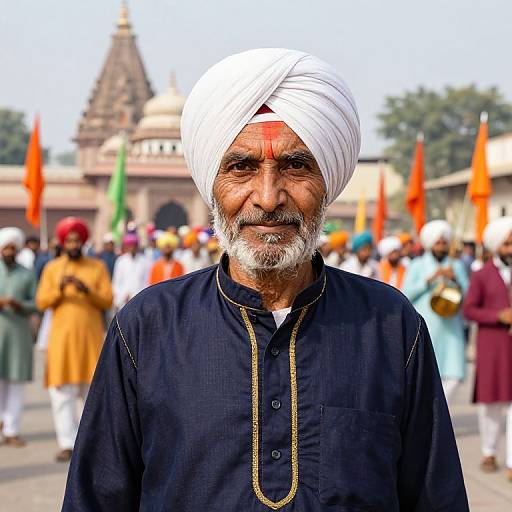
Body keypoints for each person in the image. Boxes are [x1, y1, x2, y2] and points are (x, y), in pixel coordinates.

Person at [63, 48, 468, 511]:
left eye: (296, 166)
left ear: (327, 181)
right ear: (211, 182)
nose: (269, 196)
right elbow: (95, 498)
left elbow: (437, 497)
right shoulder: (147, 326)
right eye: (241, 168)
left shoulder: (389, 324)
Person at [36, 217, 113, 462]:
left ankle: (86, 443)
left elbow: (107, 300)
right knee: (62, 394)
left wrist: (85, 289)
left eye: (76, 240)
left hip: (89, 338)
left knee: (90, 394)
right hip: (61, 340)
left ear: (83, 241)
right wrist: (59, 289)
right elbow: (41, 302)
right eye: (68, 240)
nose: (72, 244)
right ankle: (66, 443)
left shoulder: (97, 267)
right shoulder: (52, 268)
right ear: (62, 242)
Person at [463, 216, 512, 480]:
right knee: (491, 404)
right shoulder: (482, 275)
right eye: (506, 245)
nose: (511, 250)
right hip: (492, 347)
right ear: (496, 246)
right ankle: (489, 452)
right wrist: (498, 316)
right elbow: (469, 310)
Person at [402, 220, 469, 405]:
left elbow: (468, 295)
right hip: (427, 328)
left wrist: (454, 279)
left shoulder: (456, 266)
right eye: (438, 242)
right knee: (427, 377)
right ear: (431, 244)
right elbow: (405, 293)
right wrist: (430, 279)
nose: (442, 245)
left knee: (454, 377)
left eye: (444, 242)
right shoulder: (417, 265)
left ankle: (439, 413)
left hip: (451, 329)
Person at [0, 228, 37, 447]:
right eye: (6, 247)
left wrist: (19, 304)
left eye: (13, 248)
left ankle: (12, 429)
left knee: (16, 382)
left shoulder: (27, 273)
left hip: (18, 334)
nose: (9, 251)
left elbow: (37, 302)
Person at [112, 233, 149, 310]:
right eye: (130, 245)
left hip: (140, 300)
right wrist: (122, 296)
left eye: (134, 245)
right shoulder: (121, 261)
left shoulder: (145, 261)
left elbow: (147, 282)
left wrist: (137, 296)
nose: (132, 248)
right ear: (126, 246)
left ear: (137, 246)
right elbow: (116, 282)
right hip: (124, 300)